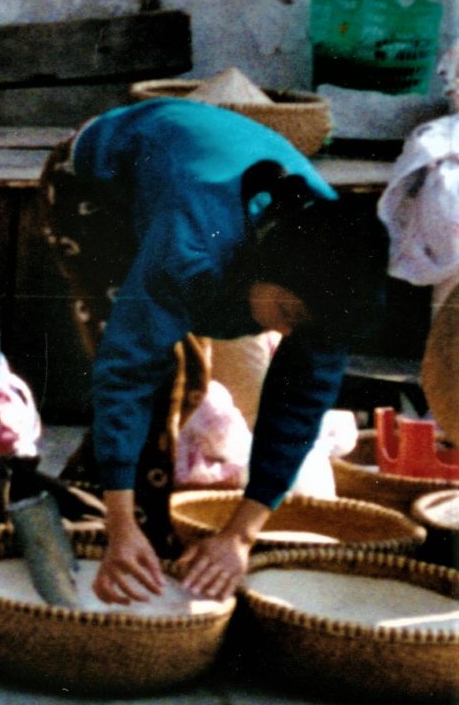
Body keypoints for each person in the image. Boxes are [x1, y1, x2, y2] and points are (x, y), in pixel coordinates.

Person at [42, 98, 385, 605]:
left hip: (195, 179)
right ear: (264, 266)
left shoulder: (336, 267)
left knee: (200, 381)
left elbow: (300, 403)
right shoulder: (194, 244)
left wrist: (240, 536)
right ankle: (124, 533)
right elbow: (127, 371)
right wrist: (121, 525)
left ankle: (108, 502)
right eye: (285, 314)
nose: (285, 333)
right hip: (98, 182)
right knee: (162, 379)